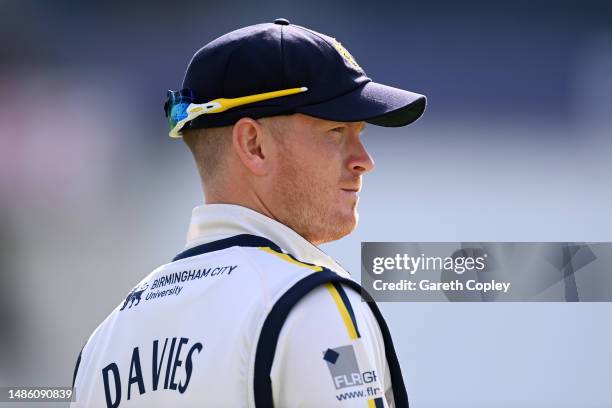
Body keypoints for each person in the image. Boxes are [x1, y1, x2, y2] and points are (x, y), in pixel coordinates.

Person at [71, 18, 426, 408]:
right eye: (336, 131)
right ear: (253, 145)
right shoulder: (310, 304)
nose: (364, 161)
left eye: (361, 133)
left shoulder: (104, 343)